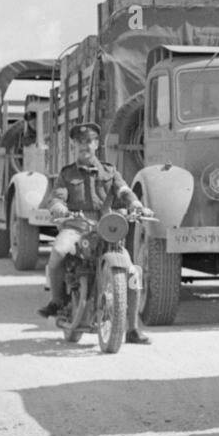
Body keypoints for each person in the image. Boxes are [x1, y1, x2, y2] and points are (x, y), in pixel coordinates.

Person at [37, 122, 151, 344]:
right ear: (74, 145)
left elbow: (124, 190)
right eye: (80, 143)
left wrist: (136, 204)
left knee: (132, 273)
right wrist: (59, 207)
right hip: (76, 225)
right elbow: (58, 196)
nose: (84, 146)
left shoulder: (109, 172)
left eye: (89, 141)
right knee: (58, 251)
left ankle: (132, 329)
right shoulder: (67, 174)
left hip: (107, 226)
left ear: (96, 144)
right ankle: (58, 301)